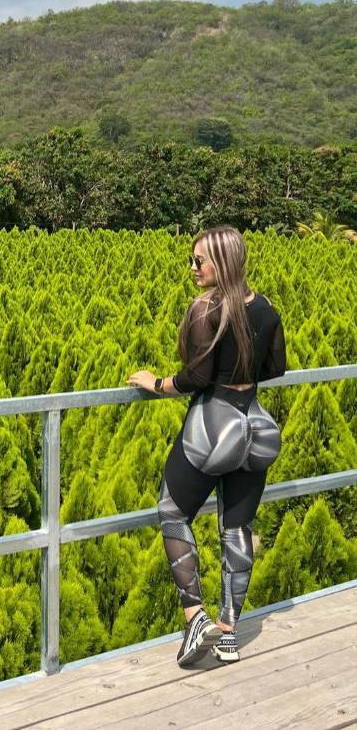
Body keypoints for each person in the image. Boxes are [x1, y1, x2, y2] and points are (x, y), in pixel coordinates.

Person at [127, 225, 286, 667]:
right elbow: (276, 369)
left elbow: (194, 378)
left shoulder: (205, 309)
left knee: (172, 510)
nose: (193, 268)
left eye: (200, 260)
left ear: (224, 260)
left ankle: (194, 613)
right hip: (254, 423)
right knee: (236, 529)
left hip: (212, 424)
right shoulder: (266, 308)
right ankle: (229, 633)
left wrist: (155, 383)